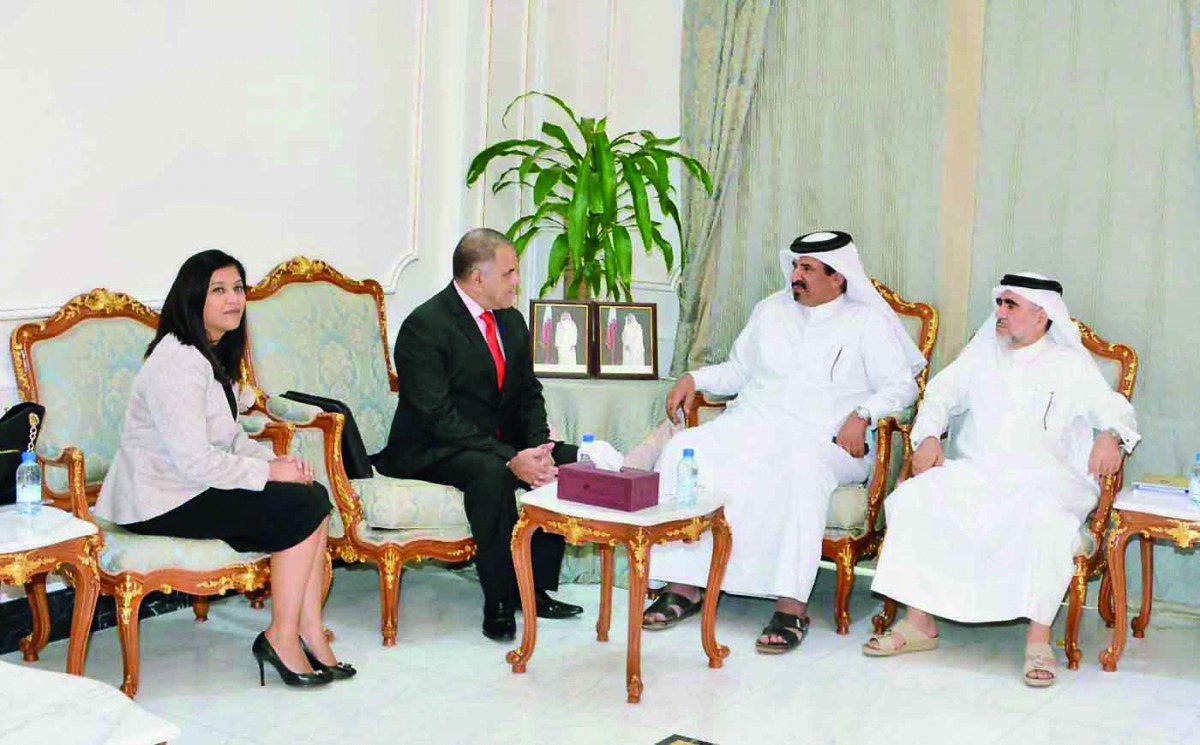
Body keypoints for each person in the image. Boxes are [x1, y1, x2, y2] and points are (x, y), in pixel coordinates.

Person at [644, 231, 926, 653]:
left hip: (827, 440)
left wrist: (864, 413)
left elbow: (901, 387)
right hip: (754, 425)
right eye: (795, 265)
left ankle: (790, 606)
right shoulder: (770, 311)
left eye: (807, 268)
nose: (795, 275)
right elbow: (738, 372)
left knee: (800, 470)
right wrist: (693, 378)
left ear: (838, 276)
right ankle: (683, 585)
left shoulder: (867, 322)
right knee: (685, 453)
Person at [863, 272, 1139, 687]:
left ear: (1042, 315)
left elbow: (1115, 410)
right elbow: (939, 394)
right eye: (1000, 304)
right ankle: (918, 622)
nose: (1000, 313)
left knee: (1047, 520)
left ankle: (1038, 640)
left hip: (1046, 479)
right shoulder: (981, 355)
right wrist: (928, 436)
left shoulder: (1069, 364)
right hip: (979, 472)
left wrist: (1111, 435)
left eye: (1011, 305)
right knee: (915, 497)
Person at [95, 250, 352, 688]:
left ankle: (307, 628)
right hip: (160, 499)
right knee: (298, 507)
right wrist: (268, 475)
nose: (233, 299)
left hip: (191, 486)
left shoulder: (208, 353)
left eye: (237, 288)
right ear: (193, 298)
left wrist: (275, 462)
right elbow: (195, 461)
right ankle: (280, 637)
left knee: (313, 495)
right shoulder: (176, 363)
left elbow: (229, 439)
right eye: (219, 290)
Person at [374, 228, 584, 642]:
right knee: (492, 473)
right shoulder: (425, 326)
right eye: (509, 273)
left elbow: (528, 393)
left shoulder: (511, 320)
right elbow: (437, 416)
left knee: (569, 461)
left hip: (491, 443)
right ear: (476, 278)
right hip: (431, 447)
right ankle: (500, 601)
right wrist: (510, 457)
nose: (516, 282)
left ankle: (534, 589)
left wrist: (538, 447)